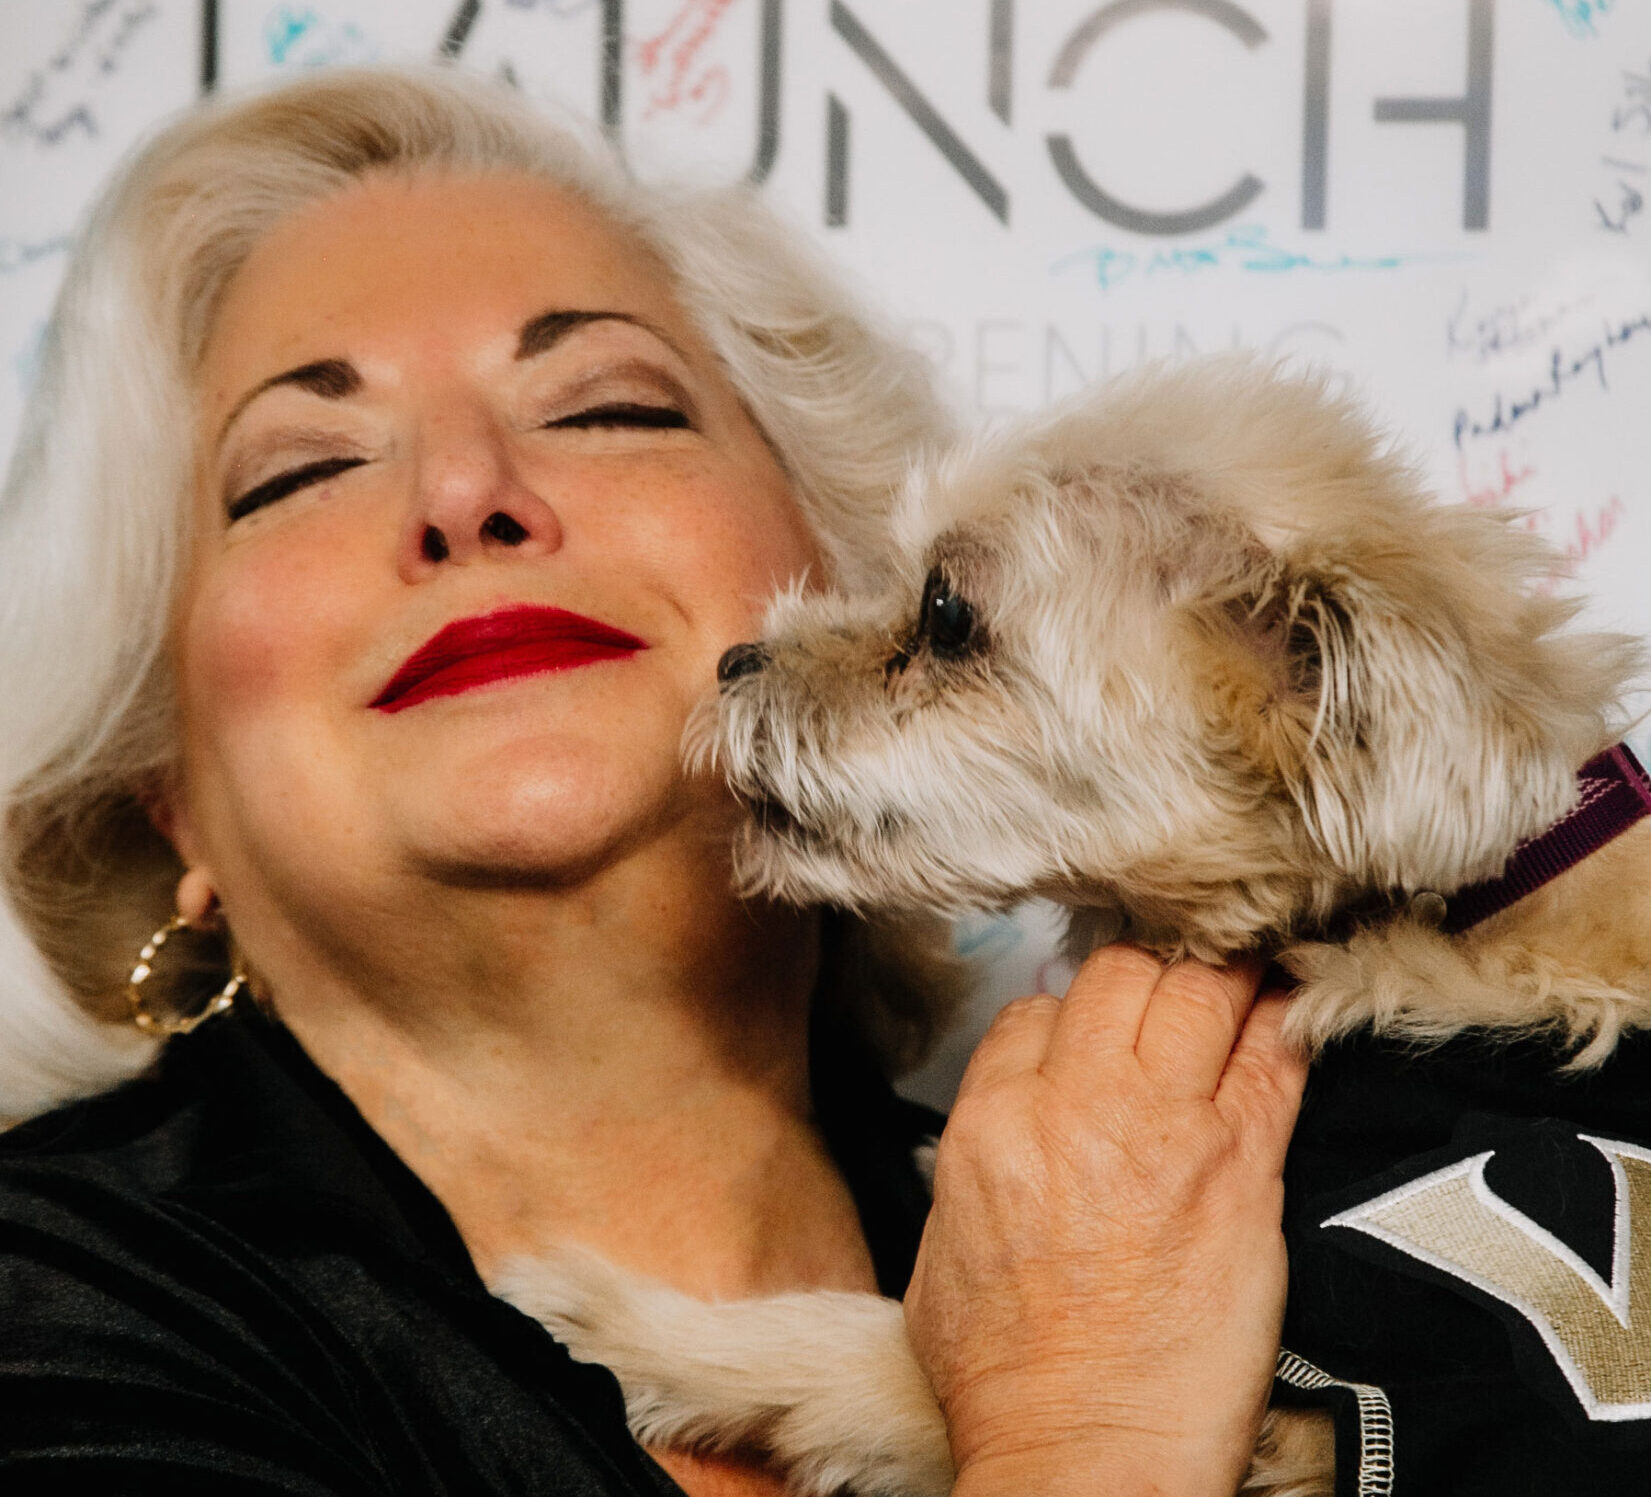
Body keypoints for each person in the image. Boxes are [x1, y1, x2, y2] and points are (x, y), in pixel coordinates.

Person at [0, 68, 1305, 1497]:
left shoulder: (1284, 1207)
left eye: (608, 407)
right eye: (300, 470)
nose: (465, 491)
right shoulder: (47, 1303)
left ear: (861, 582)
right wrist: (1087, 1423)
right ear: (161, 785)